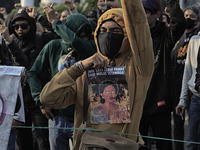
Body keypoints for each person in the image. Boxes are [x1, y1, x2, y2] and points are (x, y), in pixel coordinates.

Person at [40, 0, 154, 149]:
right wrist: (78, 68)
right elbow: (48, 98)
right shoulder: (88, 71)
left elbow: (138, 24)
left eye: (115, 31)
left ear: (127, 35)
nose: (107, 35)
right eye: (103, 31)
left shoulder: (139, 67)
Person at [29, 4, 97, 150]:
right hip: (57, 117)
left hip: (82, 118)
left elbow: (74, 42)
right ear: (69, 32)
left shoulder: (91, 49)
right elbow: (33, 73)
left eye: (86, 35)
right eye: (80, 35)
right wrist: (40, 101)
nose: (84, 39)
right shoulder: (54, 46)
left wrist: (55, 22)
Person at [0, 10, 51, 150]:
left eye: (24, 26)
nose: (20, 30)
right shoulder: (10, 43)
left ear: (31, 25)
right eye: (16, 27)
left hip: (39, 100)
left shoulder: (40, 40)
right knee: (22, 143)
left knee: (43, 142)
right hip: (19, 102)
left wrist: (41, 17)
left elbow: (26, 65)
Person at [139, 0, 186, 149]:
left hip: (160, 101)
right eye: (139, 12)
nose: (141, 16)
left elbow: (179, 24)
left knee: (164, 144)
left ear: (157, 14)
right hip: (137, 102)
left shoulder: (165, 35)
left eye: (145, 12)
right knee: (138, 144)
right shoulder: (133, 36)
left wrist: (171, 4)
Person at [171, 5, 199, 150]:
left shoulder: (195, 38)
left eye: (191, 16)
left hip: (193, 91)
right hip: (187, 91)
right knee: (188, 137)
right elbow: (187, 72)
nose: (188, 18)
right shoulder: (187, 38)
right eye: (185, 15)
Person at [176, 33, 200, 150]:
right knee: (191, 142)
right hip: (196, 98)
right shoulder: (195, 41)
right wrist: (183, 100)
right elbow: (188, 72)